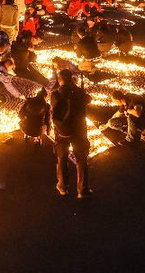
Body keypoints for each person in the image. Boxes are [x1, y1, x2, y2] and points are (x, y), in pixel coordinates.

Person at [50, 69, 91, 198]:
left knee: (62, 158)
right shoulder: (78, 92)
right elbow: (88, 99)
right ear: (71, 79)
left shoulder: (55, 94)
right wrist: (77, 88)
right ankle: (82, 190)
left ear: (59, 79)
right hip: (79, 131)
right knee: (81, 160)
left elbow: (54, 111)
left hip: (62, 132)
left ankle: (62, 187)